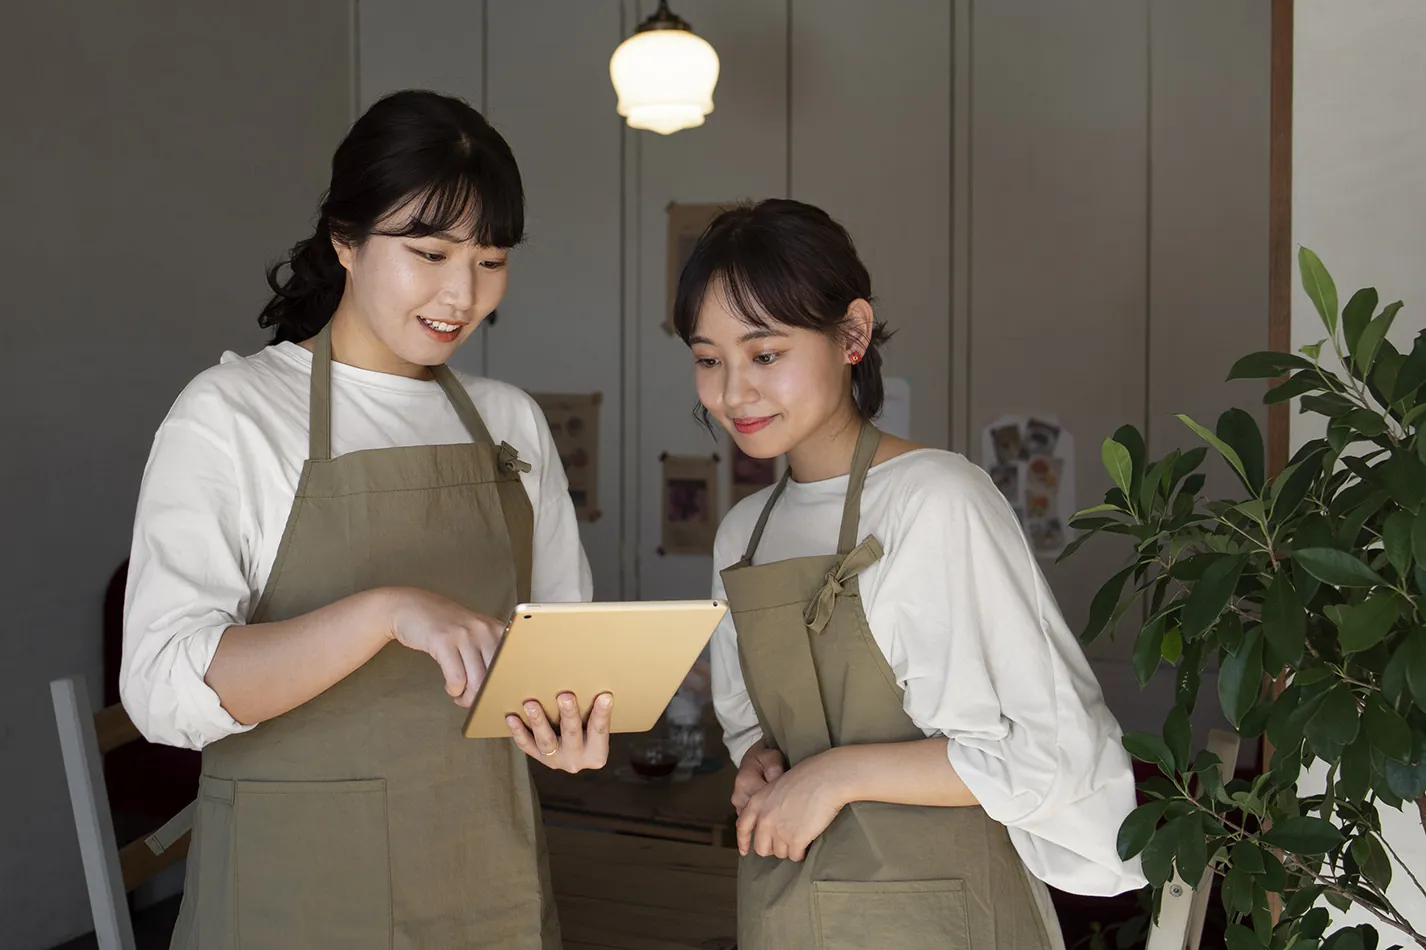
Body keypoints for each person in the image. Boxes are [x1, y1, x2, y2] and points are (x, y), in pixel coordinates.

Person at [121, 90, 607, 949]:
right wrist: (386, 612)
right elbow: (161, 689)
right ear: (345, 239)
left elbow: (558, 647)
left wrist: (571, 724)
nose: (463, 293)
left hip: (483, 874)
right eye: (429, 252)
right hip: (295, 894)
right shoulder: (231, 414)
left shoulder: (509, 422)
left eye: (491, 261)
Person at [673, 198, 1146, 949]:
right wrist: (763, 764)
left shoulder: (937, 499)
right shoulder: (743, 532)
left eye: (765, 354)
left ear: (851, 334)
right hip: (789, 914)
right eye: (708, 359)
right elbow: (754, 728)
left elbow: (1048, 754)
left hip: (946, 917)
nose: (734, 392)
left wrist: (832, 776)